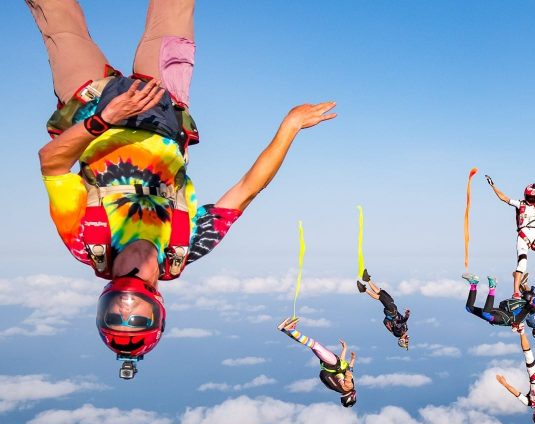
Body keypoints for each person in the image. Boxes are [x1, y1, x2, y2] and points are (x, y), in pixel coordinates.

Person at [27, 0, 336, 378]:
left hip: (91, 105)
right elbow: (246, 190)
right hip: (163, 108)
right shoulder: (185, 245)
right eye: (138, 305)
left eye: (117, 306)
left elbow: (52, 163)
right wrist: (289, 128)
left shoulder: (85, 240)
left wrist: (104, 119)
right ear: (157, 299)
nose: (129, 294)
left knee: (53, 12)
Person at [486, 174, 535, 296]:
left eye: (534, 198)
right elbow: (504, 198)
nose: (532, 200)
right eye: (530, 198)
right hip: (523, 236)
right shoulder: (519, 204)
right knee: (522, 264)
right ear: (526, 196)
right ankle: (516, 292)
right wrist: (493, 186)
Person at [278, 317, 357, 407]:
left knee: (315, 345)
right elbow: (341, 367)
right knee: (312, 345)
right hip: (329, 365)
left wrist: (353, 359)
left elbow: (348, 372)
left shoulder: (348, 387)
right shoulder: (340, 388)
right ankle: (285, 330)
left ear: (352, 397)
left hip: (333, 363)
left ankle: (290, 329)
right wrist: (344, 349)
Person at [462, 273, 535, 339]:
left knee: (469, 308)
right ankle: (491, 286)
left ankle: (474, 284)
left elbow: (532, 311)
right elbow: (529, 311)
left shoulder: (532, 319)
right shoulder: (529, 315)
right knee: (485, 314)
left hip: (505, 318)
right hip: (508, 317)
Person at [356, 270, 410, 349]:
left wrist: (407, 316)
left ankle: (365, 287)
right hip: (394, 311)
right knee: (382, 294)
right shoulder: (404, 330)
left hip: (391, 313)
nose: (408, 339)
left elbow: (399, 322)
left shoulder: (398, 333)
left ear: (402, 340)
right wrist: (405, 316)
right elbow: (401, 320)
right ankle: (366, 282)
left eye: (407, 341)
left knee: (382, 298)